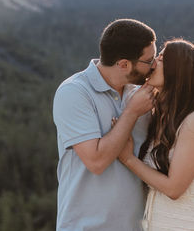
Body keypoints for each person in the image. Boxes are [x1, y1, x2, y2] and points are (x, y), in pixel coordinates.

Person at [53, 18, 158, 230]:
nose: (154, 65)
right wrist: (131, 113)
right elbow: (96, 161)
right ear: (123, 64)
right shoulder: (74, 92)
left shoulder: (140, 94)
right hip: (85, 226)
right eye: (149, 60)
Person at [117, 39, 194, 231]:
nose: (154, 63)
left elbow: (174, 189)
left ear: (178, 71)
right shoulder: (163, 119)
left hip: (190, 225)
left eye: (162, 58)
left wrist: (128, 159)